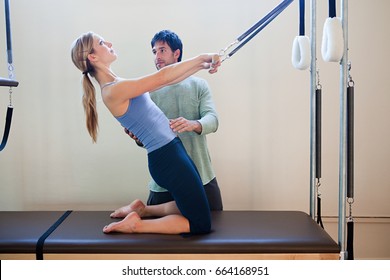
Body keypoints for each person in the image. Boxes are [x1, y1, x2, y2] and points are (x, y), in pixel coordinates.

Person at [70, 31, 221, 235]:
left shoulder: (117, 83)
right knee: (200, 224)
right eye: (102, 42)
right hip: (167, 157)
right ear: (93, 57)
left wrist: (203, 65)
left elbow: (167, 80)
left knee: (194, 204)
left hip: (172, 151)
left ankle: (141, 210)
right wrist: (203, 58)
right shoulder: (113, 90)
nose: (109, 43)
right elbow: (162, 77)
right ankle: (137, 225)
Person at [119, 30, 223, 211]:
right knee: (159, 238)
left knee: (213, 230)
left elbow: (212, 120)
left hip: (202, 176)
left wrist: (194, 124)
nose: (157, 56)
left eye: (162, 50)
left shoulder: (199, 85)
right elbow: (147, 138)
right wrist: (138, 137)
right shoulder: (146, 93)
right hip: (164, 182)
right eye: (154, 51)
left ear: (177, 54)